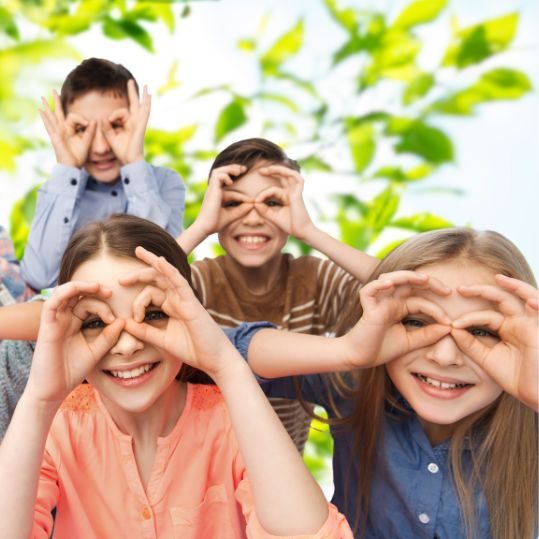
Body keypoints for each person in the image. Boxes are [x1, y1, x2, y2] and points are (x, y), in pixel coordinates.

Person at [0, 214, 352, 538]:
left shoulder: (230, 422)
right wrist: (40, 398)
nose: (126, 345)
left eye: (153, 314)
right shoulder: (60, 428)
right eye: (95, 323)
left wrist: (227, 367)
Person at [243, 227, 538, 538]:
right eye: (417, 321)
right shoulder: (357, 383)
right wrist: (346, 351)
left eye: (480, 331)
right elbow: (214, 355)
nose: (444, 355)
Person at [177, 138, 379, 452]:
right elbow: (130, 291)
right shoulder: (200, 282)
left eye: (271, 202)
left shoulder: (314, 280)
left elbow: (404, 287)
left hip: (284, 468)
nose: (253, 217)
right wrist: (201, 226)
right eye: (233, 203)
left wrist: (309, 231)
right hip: (204, 464)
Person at [6, 57, 185, 294]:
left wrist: (134, 161)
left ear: (137, 120)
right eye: (82, 129)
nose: (100, 147)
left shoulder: (165, 182)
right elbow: (39, 277)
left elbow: (162, 270)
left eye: (116, 125)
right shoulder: (58, 190)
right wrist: (67, 165)